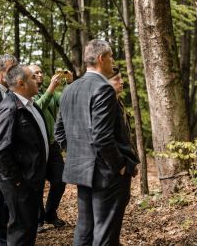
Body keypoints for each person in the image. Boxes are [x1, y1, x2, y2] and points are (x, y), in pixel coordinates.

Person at [54, 39, 139, 246]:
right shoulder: (104, 88)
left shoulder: (69, 89)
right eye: (110, 57)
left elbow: (59, 132)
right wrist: (119, 166)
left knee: (85, 228)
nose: (112, 62)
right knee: (105, 232)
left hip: (82, 171)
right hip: (106, 174)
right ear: (101, 58)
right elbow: (102, 136)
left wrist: (77, 153)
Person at [0, 64, 49, 245]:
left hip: (31, 180)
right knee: (21, 231)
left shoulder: (30, 104)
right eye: (33, 77)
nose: (38, 79)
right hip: (20, 183)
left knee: (29, 227)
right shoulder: (8, 109)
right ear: (21, 83)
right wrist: (17, 181)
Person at [29, 65, 69, 231]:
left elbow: (67, 99)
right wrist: (51, 89)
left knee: (60, 180)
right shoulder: (27, 95)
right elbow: (36, 108)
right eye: (35, 73)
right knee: (37, 184)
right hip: (36, 149)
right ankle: (37, 219)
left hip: (52, 146)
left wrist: (70, 82)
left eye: (40, 72)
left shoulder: (52, 94)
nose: (39, 74)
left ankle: (50, 214)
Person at [0, 54, 17, 246]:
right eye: (11, 69)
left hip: (11, 158)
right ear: (0, 72)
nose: (16, 72)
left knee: (6, 202)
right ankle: (3, 241)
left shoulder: (13, 93)